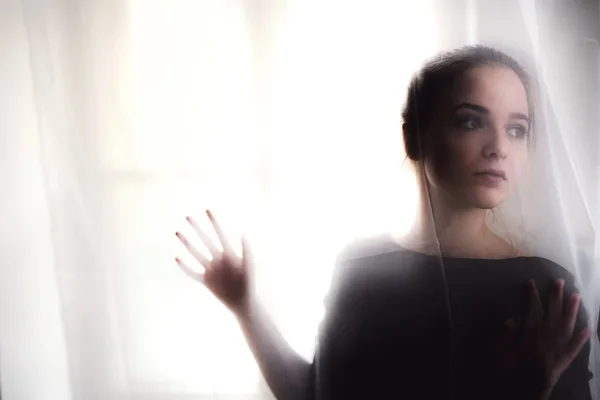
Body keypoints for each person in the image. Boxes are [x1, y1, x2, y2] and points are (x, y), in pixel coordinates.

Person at [174, 45, 594, 399]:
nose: (499, 147)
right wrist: (243, 305)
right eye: (471, 121)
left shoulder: (546, 291)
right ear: (413, 137)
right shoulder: (358, 269)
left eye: (517, 129)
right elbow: (313, 394)